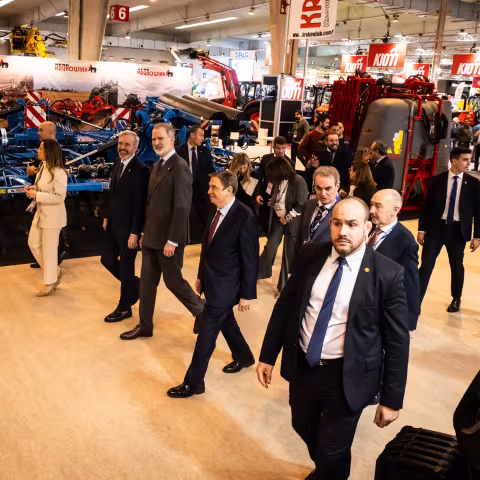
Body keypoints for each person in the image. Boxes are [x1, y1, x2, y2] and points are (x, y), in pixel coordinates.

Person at [257, 196, 410, 480]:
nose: (343, 231)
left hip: (348, 375)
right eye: (337, 223)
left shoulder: (387, 274)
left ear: (367, 227)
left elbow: (397, 342)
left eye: (352, 224)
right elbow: (286, 307)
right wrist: (268, 355)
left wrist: (392, 399)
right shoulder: (310, 255)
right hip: (304, 366)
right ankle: (331, 471)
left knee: (330, 449)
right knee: (302, 425)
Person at [167, 170, 258, 398]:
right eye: (210, 187)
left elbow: (250, 259)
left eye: (214, 187)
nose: (209, 192)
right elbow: (207, 248)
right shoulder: (214, 210)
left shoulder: (245, 216)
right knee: (227, 322)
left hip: (227, 286)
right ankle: (244, 356)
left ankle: (194, 382)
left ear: (229, 190)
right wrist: (201, 276)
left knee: (206, 337)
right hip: (211, 281)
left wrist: (246, 294)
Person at [120, 123, 205, 340]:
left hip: (168, 240)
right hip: (151, 237)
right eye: (154, 139)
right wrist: (143, 233)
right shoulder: (158, 165)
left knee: (173, 281)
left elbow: (182, 207)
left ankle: (201, 310)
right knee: (147, 284)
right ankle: (145, 325)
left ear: (172, 140)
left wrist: (173, 241)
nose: (156, 143)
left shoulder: (180, 167)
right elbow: (151, 203)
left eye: (161, 139)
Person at [418, 146, 480, 313]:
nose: (469, 163)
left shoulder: (474, 184)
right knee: (426, 265)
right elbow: (426, 206)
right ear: (454, 161)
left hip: (458, 231)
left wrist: (477, 236)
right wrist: (422, 229)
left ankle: (456, 298)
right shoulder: (436, 181)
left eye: (469, 160)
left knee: (457, 266)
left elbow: (478, 212)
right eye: (465, 160)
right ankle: (416, 299)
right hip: (436, 229)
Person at [100, 130, 149, 323]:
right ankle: (135, 286)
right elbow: (112, 193)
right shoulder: (117, 163)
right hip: (114, 224)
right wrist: (106, 216)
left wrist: (135, 233)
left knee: (127, 268)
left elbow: (139, 205)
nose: (122, 147)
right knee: (107, 259)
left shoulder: (141, 170)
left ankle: (124, 307)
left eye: (127, 144)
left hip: (129, 230)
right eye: (120, 144)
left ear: (136, 147)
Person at [369, 189, 420, 331]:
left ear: (395, 210)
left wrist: (409, 324)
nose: (371, 210)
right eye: (371, 204)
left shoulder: (405, 242)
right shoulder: (369, 228)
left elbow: (410, 284)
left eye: (378, 206)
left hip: (379, 310)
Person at [258, 157, 308, 296]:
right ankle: (257, 273)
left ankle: (283, 287)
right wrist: (274, 203)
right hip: (278, 219)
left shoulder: (298, 181)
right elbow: (279, 197)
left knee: (288, 255)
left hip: (292, 221)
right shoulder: (278, 181)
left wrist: (287, 218)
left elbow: (301, 204)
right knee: (270, 247)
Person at [25, 139, 68, 297]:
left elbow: (59, 196)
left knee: (49, 251)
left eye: (41, 148)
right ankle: (54, 272)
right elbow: (44, 187)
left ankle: (50, 283)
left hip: (52, 217)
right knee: (33, 243)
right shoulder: (43, 167)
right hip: (41, 214)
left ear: (49, 151)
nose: (38, 150)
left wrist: (37, 195)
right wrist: (33, 188)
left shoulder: (59, 172)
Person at [28, 121, 67, 269]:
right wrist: (34, 182)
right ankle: (49, 266)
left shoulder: (57, 160)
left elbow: (58, 194)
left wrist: (37, 194)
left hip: (52, 211)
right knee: (36, 243)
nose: (38, 133)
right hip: (42, 208)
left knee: (51, 244)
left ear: (51, 132)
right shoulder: (44, 161)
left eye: (41, 130)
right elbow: (43, 176)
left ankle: (54, 264)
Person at [175, 126, 215, 244]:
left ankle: (204, 238)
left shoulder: (205, 151)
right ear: (192, 135)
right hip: (185, 188)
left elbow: (210, 170)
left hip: (202, 189)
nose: (203, 138)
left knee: (204, 213)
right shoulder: (178, 151)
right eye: (201, 135)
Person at [294, 166, 340, 261]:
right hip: (304, 263)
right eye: (318, 188)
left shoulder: (343, 211)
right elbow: (299, 239)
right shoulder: (308, 205)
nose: (323, 193)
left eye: (328, 189)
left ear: (337, 186)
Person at [255, 136, 290, 233]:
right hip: (265, 196)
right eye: (278, 148)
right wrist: (258, 193)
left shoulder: (289, 163)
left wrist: (278, 199)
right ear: (273, 147)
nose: (281, 151)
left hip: (280, 201)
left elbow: (290, 186)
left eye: (283, 148)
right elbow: (259, 177)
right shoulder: (266, 159)